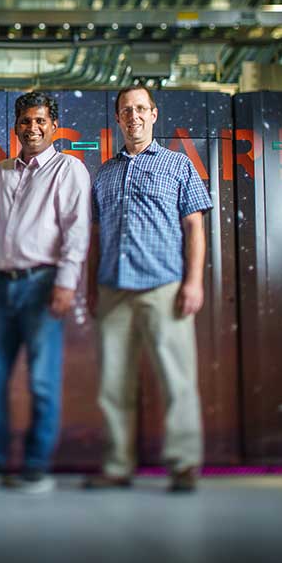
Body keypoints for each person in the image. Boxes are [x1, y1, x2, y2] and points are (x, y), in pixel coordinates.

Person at [0, 91, 91, 494]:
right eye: (26, 121)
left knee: (42, 382)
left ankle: (36, 467)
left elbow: (77, 229)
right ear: (15, 126)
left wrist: (66, 282)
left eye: (40, 121)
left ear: (54, 126)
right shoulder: (0, 171)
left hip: (43, 285)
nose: (32, 128)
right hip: (1, 286)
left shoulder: (69, 169)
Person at [84, 84, 212, 493]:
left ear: (154, 114)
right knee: (112, 385)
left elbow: (195, 228)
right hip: (113, 290)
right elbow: (95, 236)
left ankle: (184, 464)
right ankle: (117, 466)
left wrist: (194, 281)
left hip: (164, 287)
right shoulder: (104, 173)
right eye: (126, 110)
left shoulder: (178, 165)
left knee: (177, 380)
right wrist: (91, 286)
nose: (134, 116)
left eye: (141, 108)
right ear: (118, 118)